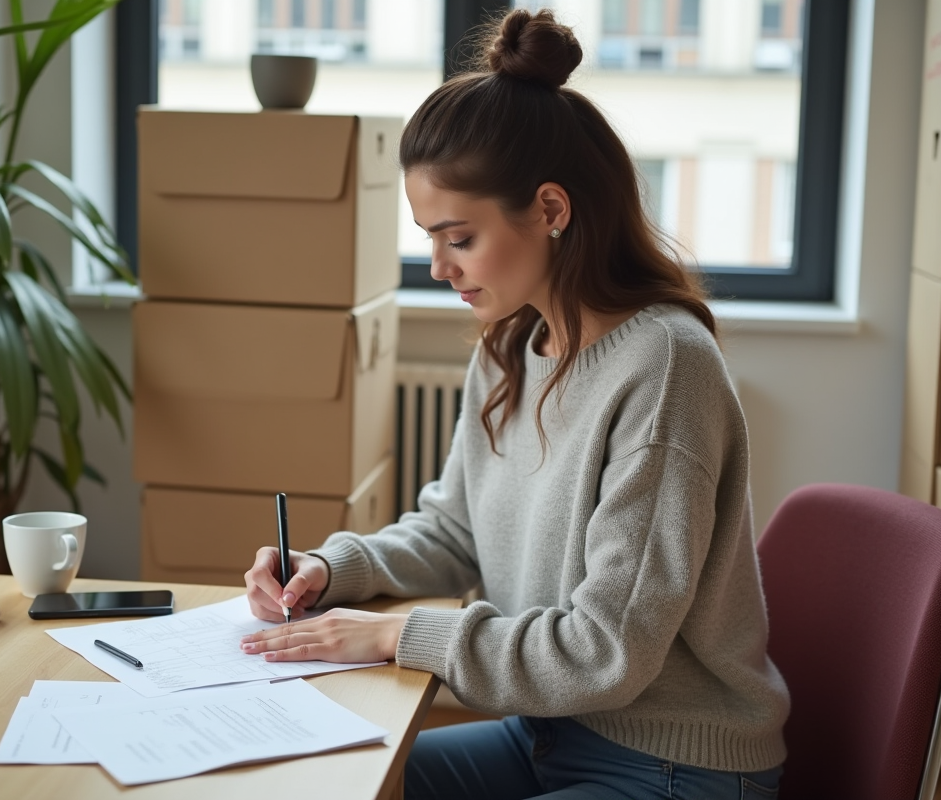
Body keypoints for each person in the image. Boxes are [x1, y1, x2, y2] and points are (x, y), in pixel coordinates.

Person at [241, 8, 789, 799]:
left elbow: (606, 650)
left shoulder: (665, 367)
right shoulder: (510, 348)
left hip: (672, 764)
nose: (438, 266)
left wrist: (395, 634)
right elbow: (455, 529)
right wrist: (331, 570)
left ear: (552, 212)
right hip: (552, 731)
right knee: (326, 786)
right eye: (430, 237)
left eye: (459, 238)